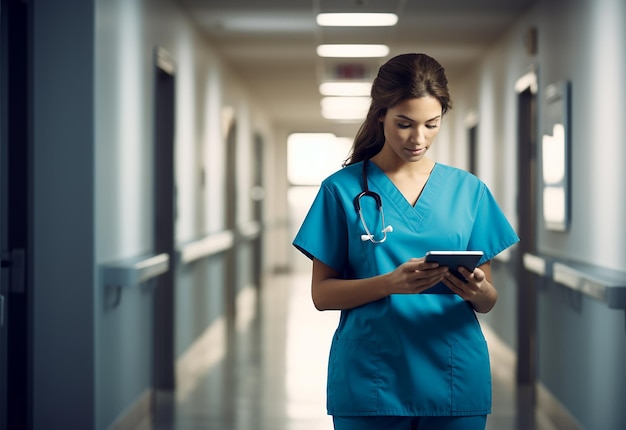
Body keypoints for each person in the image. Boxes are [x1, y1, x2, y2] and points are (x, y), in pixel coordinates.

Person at [292, 53, 519, 430]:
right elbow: (322, 295)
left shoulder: (468, 191)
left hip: (454, 376)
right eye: (404, 124)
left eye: (432, 124)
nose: (418, 139)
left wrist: (476, 289)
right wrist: (390, 284)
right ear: (380, 114)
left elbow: (489, 300)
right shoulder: (341, 190)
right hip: (371, 377)